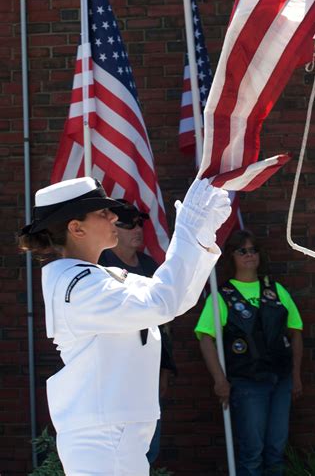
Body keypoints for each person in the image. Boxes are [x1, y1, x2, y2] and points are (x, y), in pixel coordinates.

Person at [18, 175, 231, 476]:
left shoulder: (96, 277)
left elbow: (176, 298)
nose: (115, 217)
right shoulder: (78, 285)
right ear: (75, 228)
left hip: (114, 430)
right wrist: (188, 229)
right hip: (104, 436)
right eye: (103, 213)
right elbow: (163, 301)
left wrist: (201, 235)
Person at [195, 229, 303, 476]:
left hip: (280, 380)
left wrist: (295, 376)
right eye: (242, 250)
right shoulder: (223, 295)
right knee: (252, 453)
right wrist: (219, 380)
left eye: (253, 250)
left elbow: (296, 332)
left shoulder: (275, 290)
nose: (249, 255)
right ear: (232, 256)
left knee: (276, 450)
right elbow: (205, 338)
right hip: (247, 384)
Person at [98, 200, 177, 466]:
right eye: (128, 224)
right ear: (112, 228)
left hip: (147, 369)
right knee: (114, 449)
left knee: (147, 448)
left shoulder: (150, 267)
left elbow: (162, 324)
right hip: (111, 372)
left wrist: (164, 367)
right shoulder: (98, 267)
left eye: (139, 223)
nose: (137, 229)